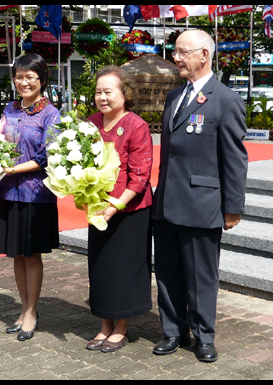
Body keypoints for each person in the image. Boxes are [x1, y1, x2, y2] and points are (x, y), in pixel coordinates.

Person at [152, 30, 248, 362]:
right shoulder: (174, 97)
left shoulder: (225, 100)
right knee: (166, 270)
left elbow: (234, 159)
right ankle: (173, 330)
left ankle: (204, 334)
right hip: (166, 202)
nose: (175, 57)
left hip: (201, 203)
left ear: (203, 55)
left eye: (181, 52)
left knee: (200, 274)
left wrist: (232, 206)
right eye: (174, 51)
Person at [85, 66, 153, 353]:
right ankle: (104, 325)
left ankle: (122, 327)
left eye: (108, 92)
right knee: (100, 267)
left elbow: (140, 175)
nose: (102, 97)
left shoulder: (136, 125)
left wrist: (114, 206)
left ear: (125, 94)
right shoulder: (91, 123)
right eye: (98, 92)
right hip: (98, 207)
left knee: (123, 269)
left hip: (129, 211)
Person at [0, 53, 61, 341]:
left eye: (30, 77)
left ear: (42, 80)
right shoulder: (9, 109)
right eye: (19, 76)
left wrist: (13, 167)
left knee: (32, 255)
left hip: (36, 194)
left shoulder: (51, 114)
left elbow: (49, 156)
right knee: (17, 254)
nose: (23, 82)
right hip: (10, 191)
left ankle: (32, 311)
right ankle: (22, 309)